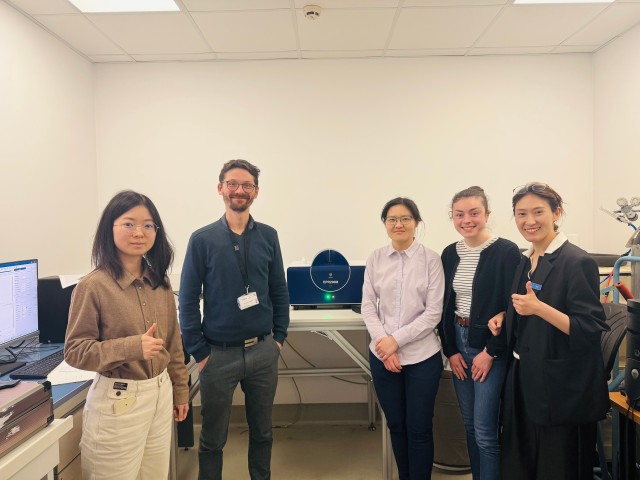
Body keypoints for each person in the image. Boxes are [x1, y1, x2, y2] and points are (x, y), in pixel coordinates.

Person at [64, 190, 189, 480]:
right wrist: (132, 347)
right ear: (110, 228)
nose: (139, 233)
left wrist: (180, 389)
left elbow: (173, 343)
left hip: (160, 393)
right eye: (129, 224)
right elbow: (75, 351)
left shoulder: (160, 282)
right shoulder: (93, 286)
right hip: (118, 401)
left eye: (148, 225)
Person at [489, 182, 609, 480]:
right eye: (521, 214)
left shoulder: (576, 262)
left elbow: (589, 329)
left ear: (556, 212)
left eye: (538, 212)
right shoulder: (526, 258)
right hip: (522, 377)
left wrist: (539, 308)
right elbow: (525, 307)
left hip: (560, 388)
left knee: (557, 467)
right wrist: (506, 315)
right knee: (521, 463)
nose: (529, 221)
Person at [179, 159, 289, 480]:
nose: (239, 190)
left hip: (263, 352)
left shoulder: (268, 236)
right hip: (217, 355)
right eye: (232, 184)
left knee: (263, 433)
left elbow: (279, 290)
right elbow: (187, 300)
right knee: (212, 439)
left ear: (256, 192)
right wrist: (199, 352)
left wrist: (279, 338)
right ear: (220, 189)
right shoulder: (202, 239)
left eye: (246, 185)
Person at [439, 186, 520, 480]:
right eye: (459, 214)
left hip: (488, 347)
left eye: (474, 213)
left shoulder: (506, 251)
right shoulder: (450, 253)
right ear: (452, 217)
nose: (467, 220)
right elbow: (445, 305)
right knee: (470, 426)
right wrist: (451, 351)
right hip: (458, 343)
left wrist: (491, 352)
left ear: (487, 214)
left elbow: (513, 308)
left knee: (486, 431)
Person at [361, 197, 445, 480]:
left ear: (416, 223)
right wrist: (385, 345)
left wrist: (395, 341)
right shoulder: (375, 258)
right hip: (383, 356)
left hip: (422, 356)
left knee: (419, 428)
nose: (399, 224)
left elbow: (433, 313)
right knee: (396, 425)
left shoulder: (431, 259)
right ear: (385, 224)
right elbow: (368, 306)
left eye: (405, 218)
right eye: (392, 219)